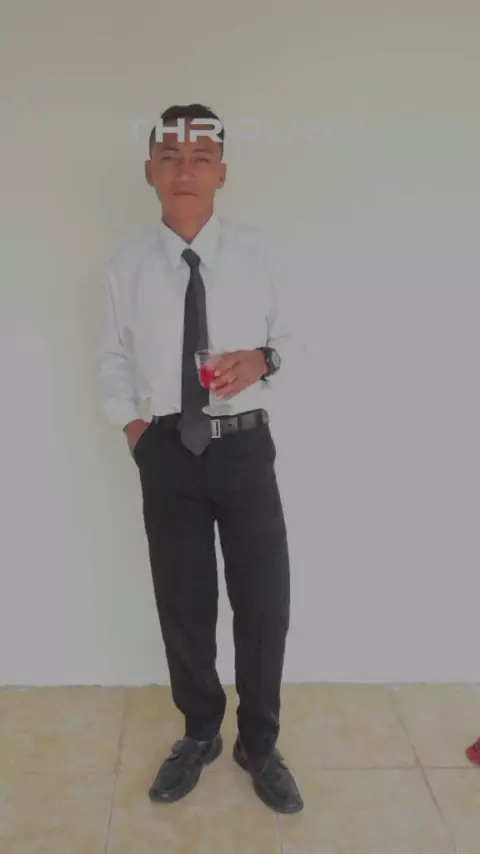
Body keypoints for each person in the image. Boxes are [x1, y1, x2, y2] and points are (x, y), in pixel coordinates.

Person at [97, 103, 305, 814]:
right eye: (172, 157)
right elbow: (110, 358)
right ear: (150, 171)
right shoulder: (127, 267)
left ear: (222, 172)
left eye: (201, 158)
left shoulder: (260, 256)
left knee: (264, 600)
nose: (185, 170)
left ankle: (261, 743)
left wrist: (264, 358)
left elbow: (300, 340)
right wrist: (134, 430)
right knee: (183, 600)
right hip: (167, 451)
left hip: (244, 446)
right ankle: (200, 732)